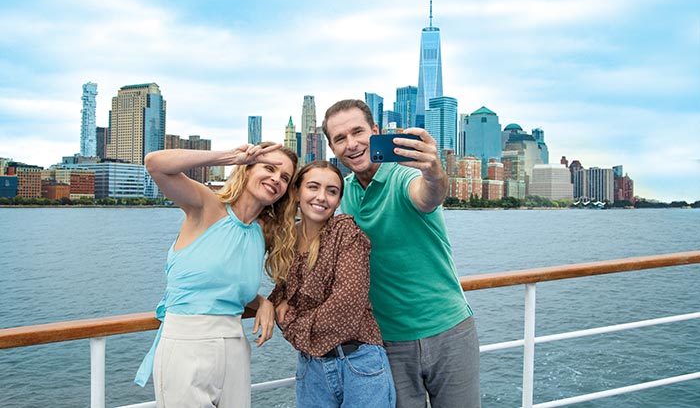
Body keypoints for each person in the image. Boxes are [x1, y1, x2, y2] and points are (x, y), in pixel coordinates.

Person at [321, 100, 480, 408]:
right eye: (340, 138)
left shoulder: (405, 175)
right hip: (389, 343)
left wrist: (433, 172)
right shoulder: (342, 193)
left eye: (358, 132)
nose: (351, 144)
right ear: (331, 146)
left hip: (449, 332)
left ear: (376, 132)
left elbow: (428, 195)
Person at [134, 142, 298, 408]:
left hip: (234, 345)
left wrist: (262, 303)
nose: (275, 179)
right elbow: (155, 164)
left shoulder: (262, 232)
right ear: (247, 169)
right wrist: (231, 156)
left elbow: (228, 284)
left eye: (285, 178)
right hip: (186, 343)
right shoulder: (206, 206)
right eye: (269, 168)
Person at [267, 160, 396, 408]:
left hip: (358, 363)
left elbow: (346, 304)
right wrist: (269, 303)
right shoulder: (286, 241)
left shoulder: (345, 234)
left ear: (338, 201)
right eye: (313, 187)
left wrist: (293, 327)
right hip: (311, 368)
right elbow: (280, 296)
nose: (321, 197)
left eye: (332, 191)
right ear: (296, 192)